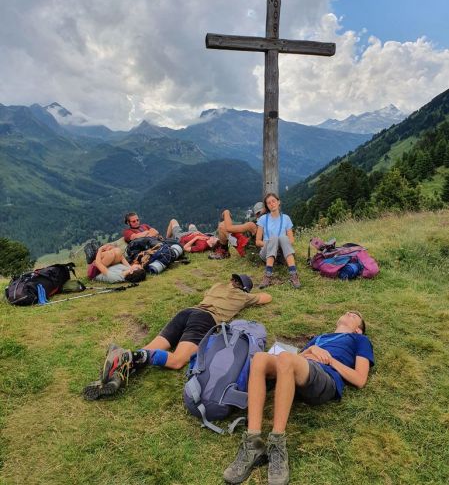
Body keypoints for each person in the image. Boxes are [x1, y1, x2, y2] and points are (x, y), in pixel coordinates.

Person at [223, 310, 374, 485]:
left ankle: (277, 442)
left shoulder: (360, 340)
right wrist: (310, 349)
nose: (349, 313)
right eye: (347, 312)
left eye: (355, 315)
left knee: (286, 358)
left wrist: (331, 360)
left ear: (358, 330)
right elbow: (294, 361)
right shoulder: (320, 337)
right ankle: (252, 443)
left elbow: (360, 379)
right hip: (301, 371)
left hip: (326, 377)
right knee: (259, 359)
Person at [83, 273, 272, 400]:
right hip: (205, 319)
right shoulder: (244, 296)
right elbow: (266, 297)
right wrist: (249, 296)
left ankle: (119, 369)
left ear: (231, 281)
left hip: (186, 312)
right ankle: (131, 357)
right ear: (244, 288)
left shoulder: (216, 286)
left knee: (152, 347)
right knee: (177, 361)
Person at [256, 193, 300, 289]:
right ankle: (268, 275)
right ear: (267, 206)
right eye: (269, 203)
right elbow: (258, 242)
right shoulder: (263, 219)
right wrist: (272, 243)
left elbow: (291, 240)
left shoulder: (286, 218)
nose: (272, 204)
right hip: (266, 252)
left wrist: (279, 244)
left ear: (278, 202)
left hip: (282, 253)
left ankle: (294, 274)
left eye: (273, 201)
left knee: (283, 238)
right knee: (274, 238)